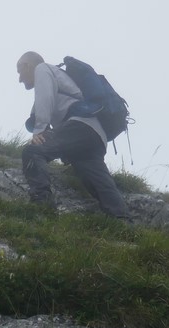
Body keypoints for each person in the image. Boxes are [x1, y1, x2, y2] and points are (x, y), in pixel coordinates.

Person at [16, 52, 131, 218]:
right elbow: (39, 110)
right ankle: (122, 219)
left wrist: (39, 130)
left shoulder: (42, 69)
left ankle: (42, 203)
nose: (20, 79)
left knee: (33, 151)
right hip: (95, 135)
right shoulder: (57, 76)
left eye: (19, 72)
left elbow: (45, 98)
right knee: (99, 182)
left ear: (27, 66)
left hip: (79, 126)